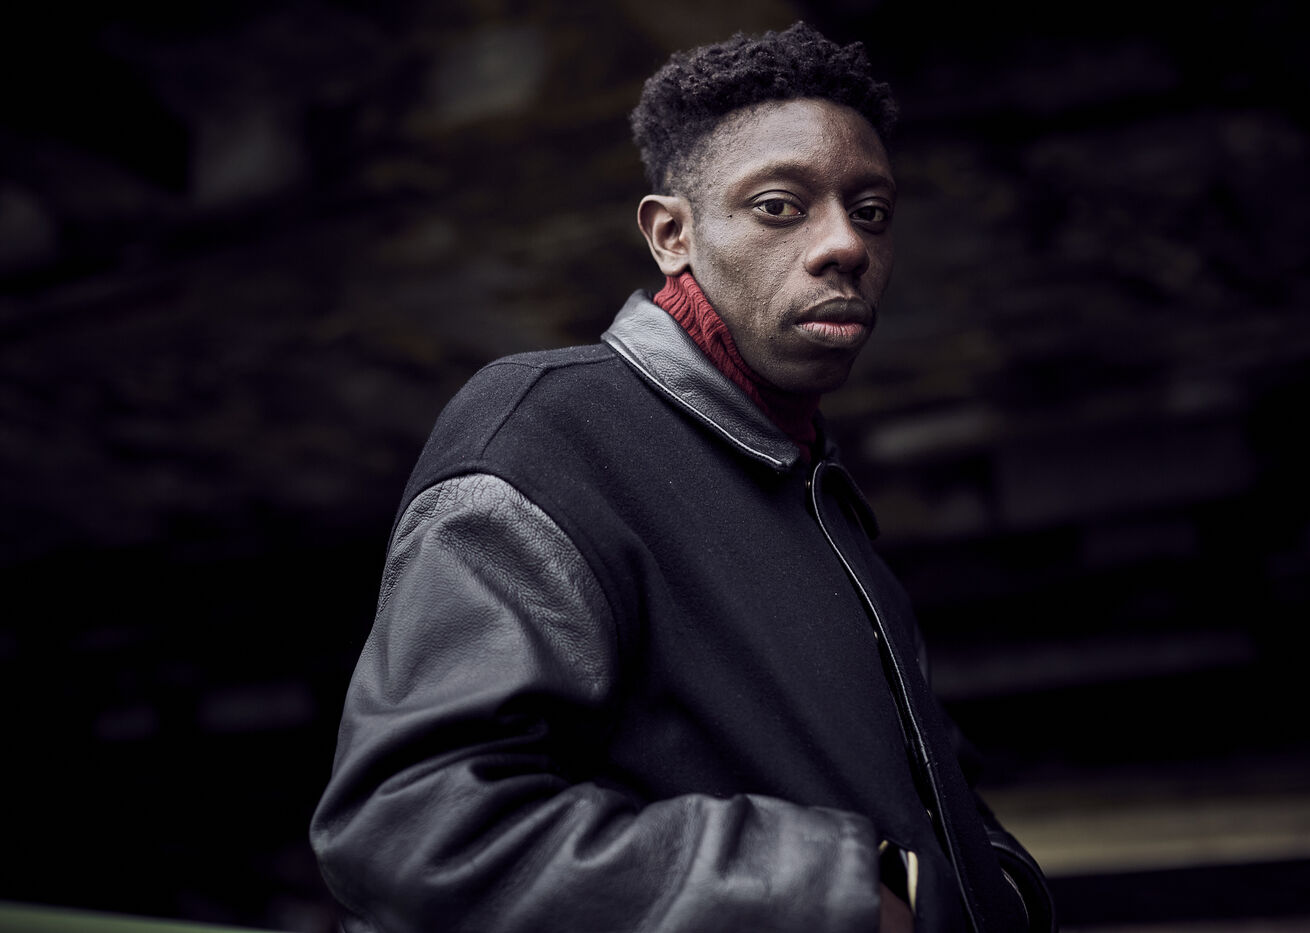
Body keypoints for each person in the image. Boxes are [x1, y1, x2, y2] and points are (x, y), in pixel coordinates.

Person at [310, 21, 1055, 933]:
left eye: (871, 211)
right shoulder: (548, 432)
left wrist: (1004, 891)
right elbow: (413, 827)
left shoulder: (822, 497)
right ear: (673, 234)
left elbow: (930, 797)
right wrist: (836, 898)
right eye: (780, 206)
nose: (846, 245)